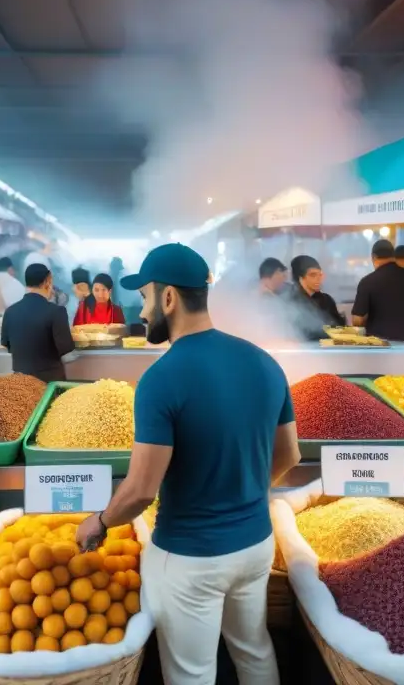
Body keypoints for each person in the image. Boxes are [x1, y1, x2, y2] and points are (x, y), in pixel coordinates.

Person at [74, 244, 299, 685]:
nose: (141, 310)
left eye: (145, 297)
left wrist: (99, 522)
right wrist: (245, 489)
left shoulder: (161, 379)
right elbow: (290, 453)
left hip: (190, 558)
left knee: (192, 672)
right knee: (253, 649)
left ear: (170, 298)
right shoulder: (264, 361)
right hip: (255, 546)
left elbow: (141, 490)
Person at [0, 263, 75, 382]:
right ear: (47, 282)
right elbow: (66, 347)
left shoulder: (10, 311)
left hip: (20, 384)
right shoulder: (56, 311)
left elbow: (6, 345)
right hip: (49, 385)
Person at [351, 240, 404, 341]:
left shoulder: (367, 282)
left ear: (374, 257)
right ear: (393, 256)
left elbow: (357, 320)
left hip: (378, 345)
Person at [287, 255, 343, 340]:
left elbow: (339, 327)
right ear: (300, 278)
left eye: (320, 275)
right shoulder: (290, 301)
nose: (318, 279)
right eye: (313, 275)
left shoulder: (327, 300)